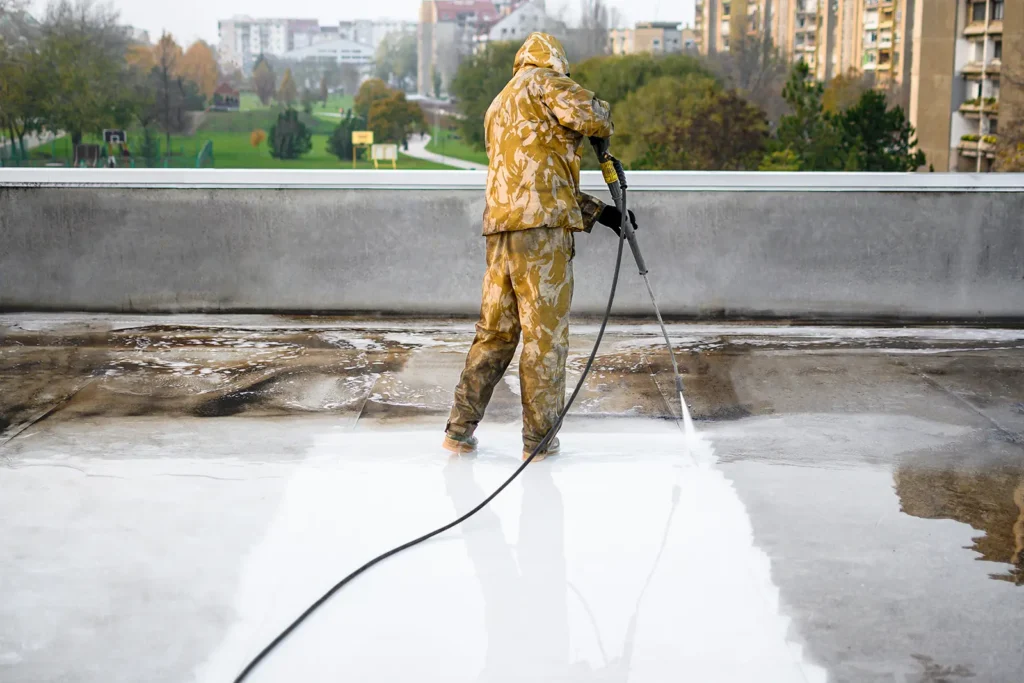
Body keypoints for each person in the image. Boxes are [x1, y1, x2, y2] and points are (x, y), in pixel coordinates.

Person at [442, 32, 637, 462]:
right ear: (555, 63)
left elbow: (535, 176)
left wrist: (601, 214)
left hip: (501, 233)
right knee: (544, 340)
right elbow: (595, 115)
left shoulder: (498, 104)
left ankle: (458, 431)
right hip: (542, 237)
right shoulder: (545, 81)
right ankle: (539, 442)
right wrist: (600, 122)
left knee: (494, 334)